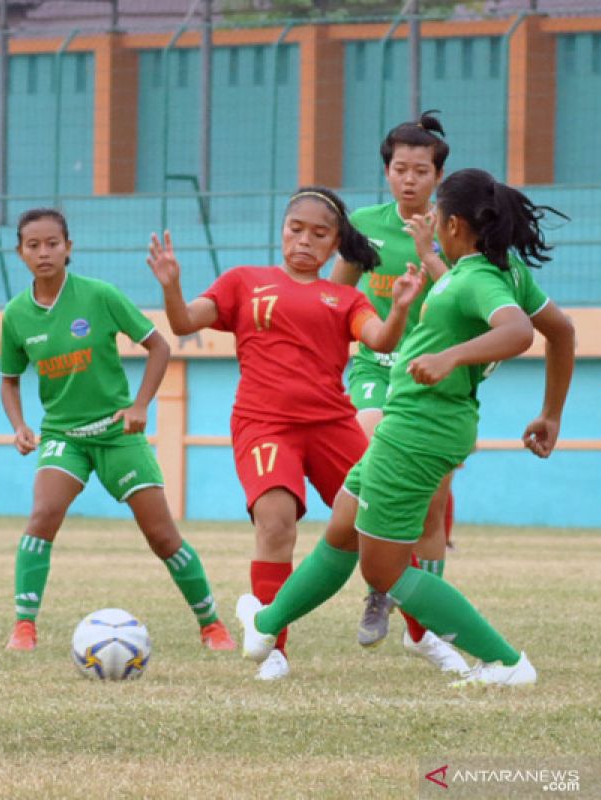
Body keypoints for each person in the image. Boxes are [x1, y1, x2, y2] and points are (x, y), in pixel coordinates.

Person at [237, 168, 576, 687]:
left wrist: (448, 357)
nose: (432, 222)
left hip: (420, 430)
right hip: (413, 424)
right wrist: (551, 413)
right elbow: (563, 330)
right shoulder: (494, 272)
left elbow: (520, 331)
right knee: (341, 529)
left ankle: (506, 663)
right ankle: (263, 626)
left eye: (438, 216)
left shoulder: (480, 280)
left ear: (456, 223)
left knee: (384, 572)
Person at [146, 186, 432, 681]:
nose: (304, 241)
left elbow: (381, 339)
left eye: (319, 234)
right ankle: (273, 649)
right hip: (265, 424)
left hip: (332, 424)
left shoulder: (346, 298)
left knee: (381, 520)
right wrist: (171, 285)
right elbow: (183, 320)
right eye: (295, 229)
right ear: (281, 231)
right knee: (276, 524)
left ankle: (421, 634)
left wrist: (402, 307)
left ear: (336, 243)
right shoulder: (243, 281)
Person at [0, 208, 235, 653]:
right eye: (34, 245)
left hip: (116, 433)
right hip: (63, 437)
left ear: (69, 248)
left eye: (53, 243)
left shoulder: (100, 296)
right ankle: (24, 626)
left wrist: (140, 404)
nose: (44, 252)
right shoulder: (16, 315)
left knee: (162, 535)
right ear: (20, 253)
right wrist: (19, 425)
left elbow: (159, 346)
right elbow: (9, 380)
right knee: (43, 514)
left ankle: (212, 625)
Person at [328, 111, 458, 655]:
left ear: (437, 177)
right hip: (375, 371)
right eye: (400, 169)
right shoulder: (364, 226)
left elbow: (469, 298)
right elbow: (332, 300)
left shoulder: (456, 232)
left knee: (433, 501)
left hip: (434, 375)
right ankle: (379, 588)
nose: (410, 179)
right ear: (387, 173)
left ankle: (426, 622)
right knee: (377, 449)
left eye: (421, 171)